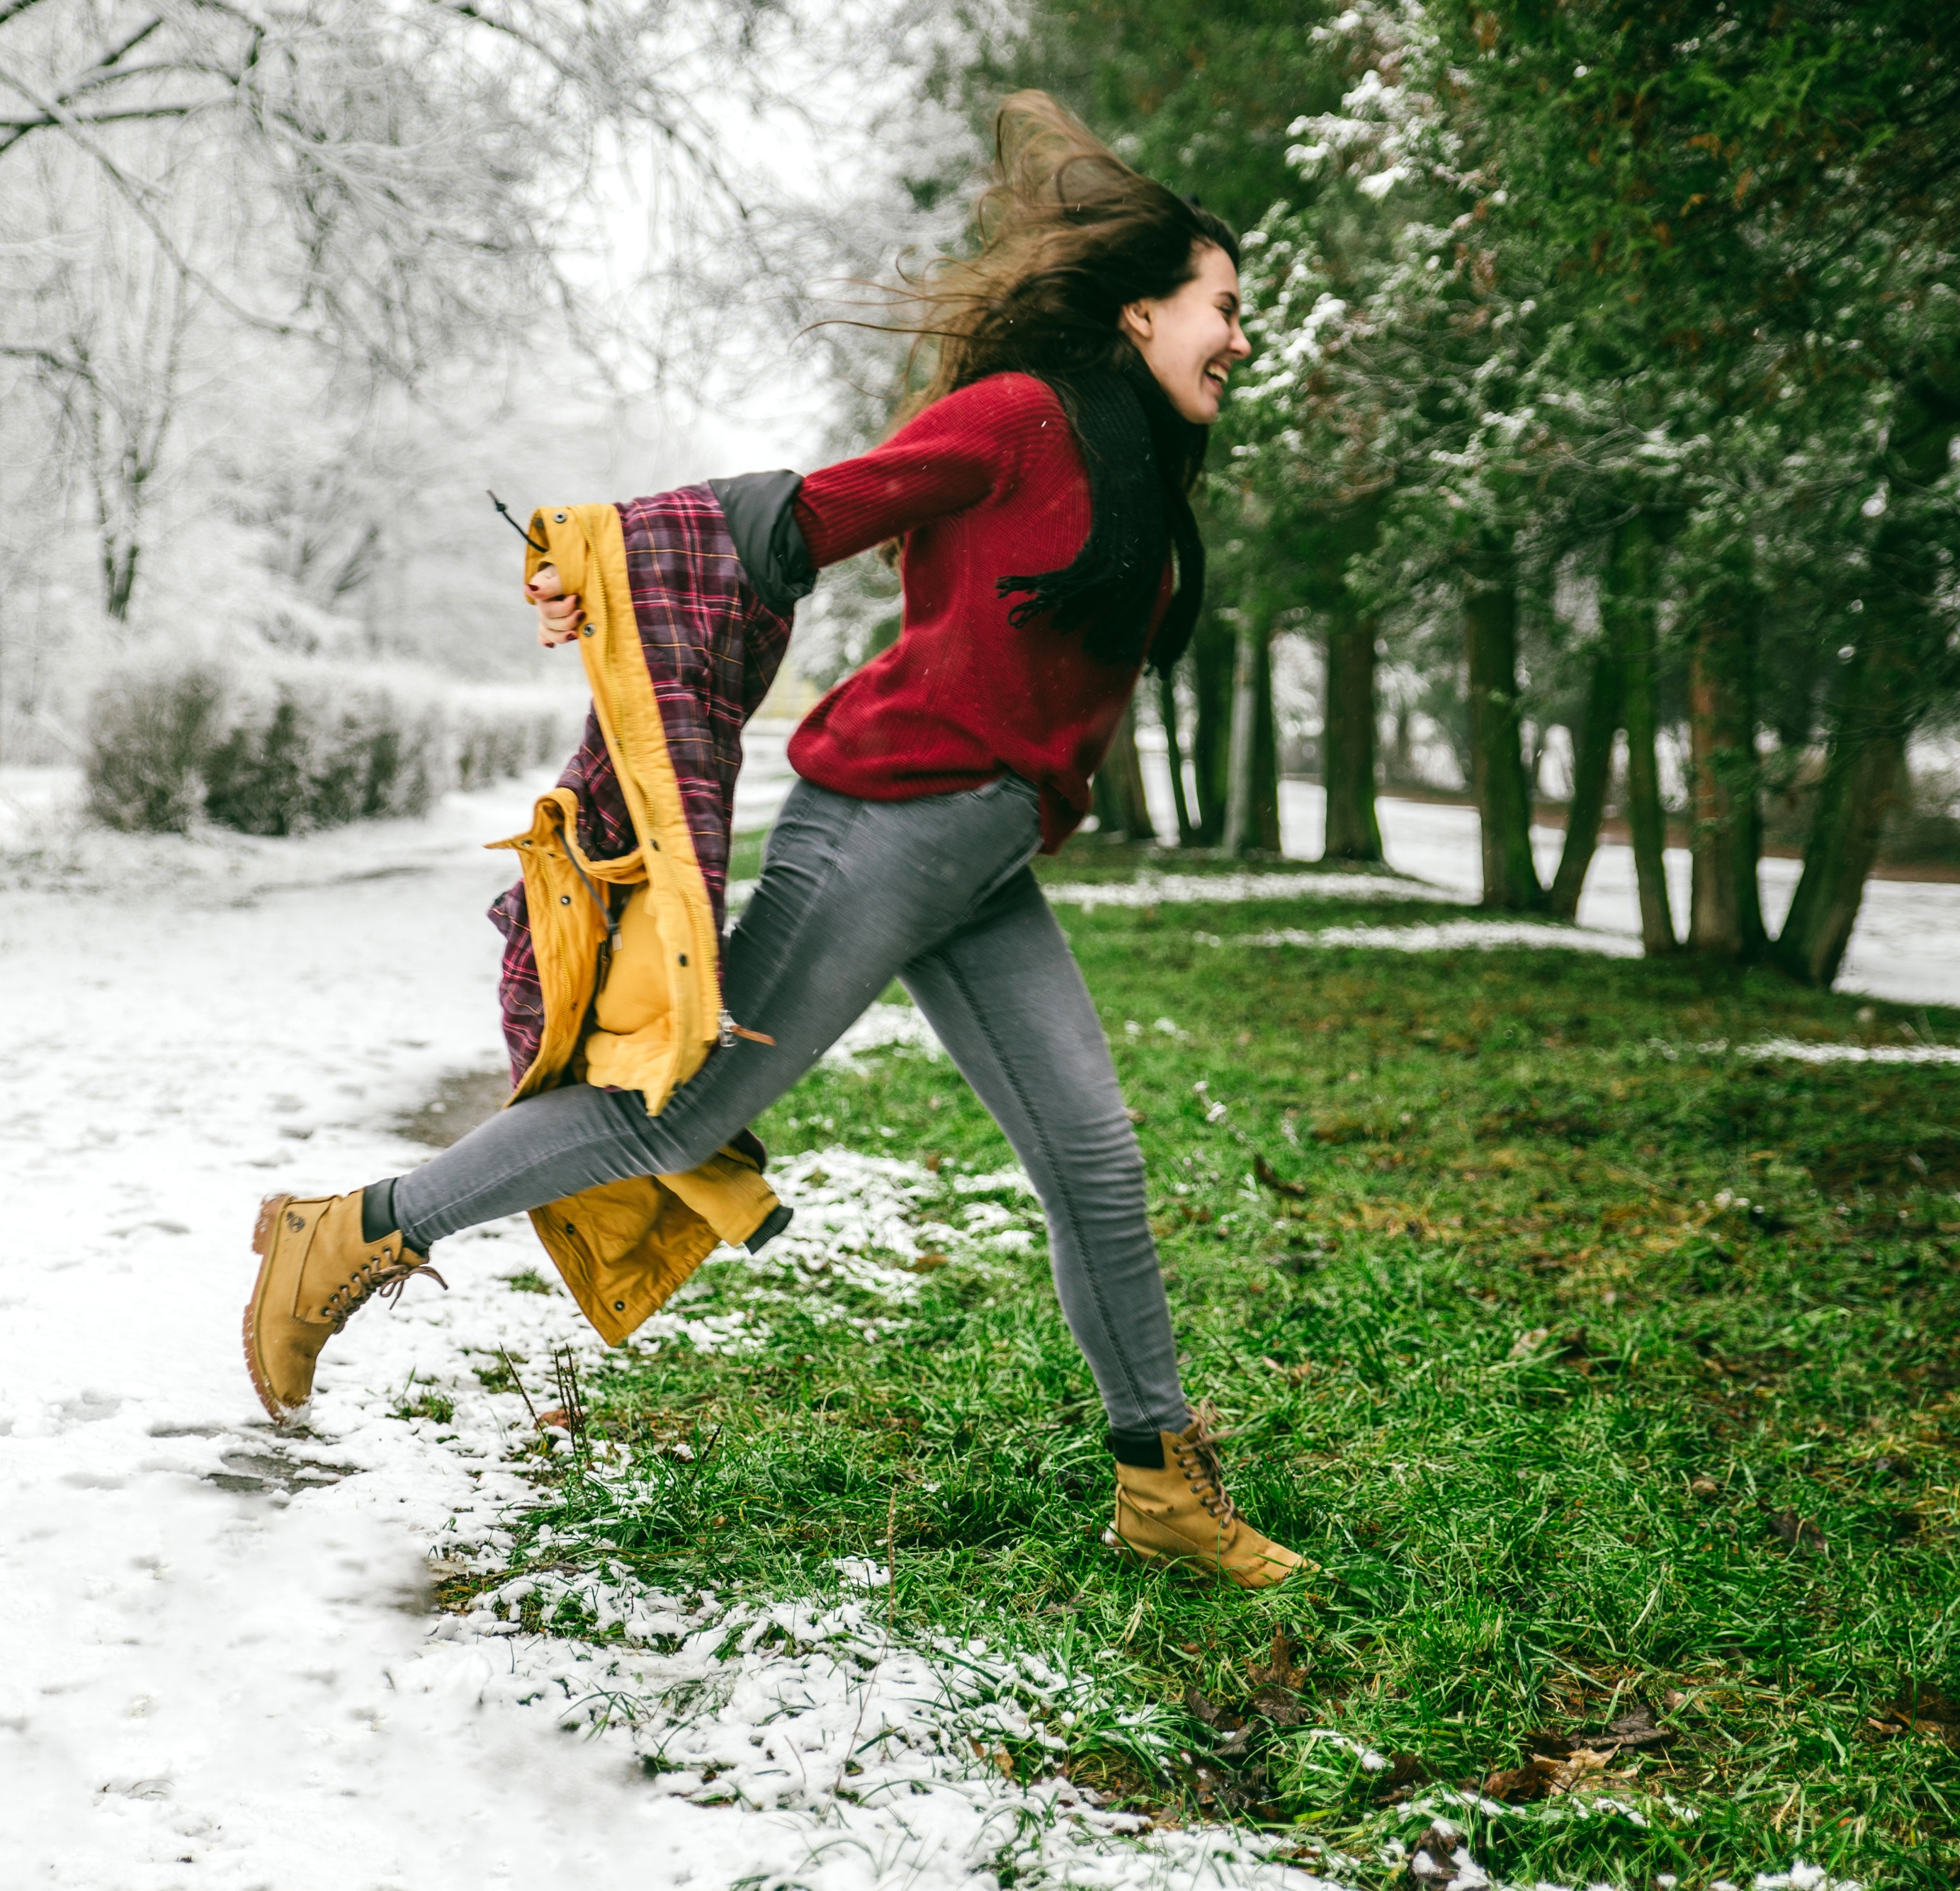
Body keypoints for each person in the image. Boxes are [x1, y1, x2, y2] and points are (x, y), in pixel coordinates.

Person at [241, 93, 1313, 1588]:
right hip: (891, 820)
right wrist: (599, 562)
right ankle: (350, 1228)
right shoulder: (1020, 416)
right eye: (1224, 308)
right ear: (1141, 312)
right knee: (676, 1115)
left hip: (979, 853)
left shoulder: (1126, 456)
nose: (1241, 338)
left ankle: (1160, 1489)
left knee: (1094, 1161)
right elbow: (806, 516)